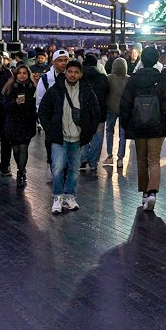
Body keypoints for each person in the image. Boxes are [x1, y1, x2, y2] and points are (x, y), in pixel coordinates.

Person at [39, 59, 102, 214]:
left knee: (74, 169)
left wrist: (89, 131)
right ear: (65, 73)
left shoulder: (87, 91)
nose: (73, 75)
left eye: (76, 72)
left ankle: (69, 196)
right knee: (57, 168)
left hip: (78, 137)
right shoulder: (55, 90)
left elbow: (96, 112)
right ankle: (58, 197)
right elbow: (43, 110)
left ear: (80, 74)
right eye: (70, 71)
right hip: (59, 137)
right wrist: (50, 129)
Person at [119, 46, 166, 211]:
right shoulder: (162, 79)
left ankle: (145, 193)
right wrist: (165, 122)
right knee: (154, 160)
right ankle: (152, 192)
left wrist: (126, 124)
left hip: (138, 126)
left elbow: (125, 103)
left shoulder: (134, 79)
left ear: (142, 60)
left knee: (141, 160)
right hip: (157, 126)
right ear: (156, 60)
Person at [2, 65, 38, 188]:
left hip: (27, 122)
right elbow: (4, 106)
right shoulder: (10, 87)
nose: (22, 75)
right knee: (16, 149)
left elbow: (37, 105)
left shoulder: (33, 88)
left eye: (24, 73)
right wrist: (15, 102)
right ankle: (20, 167)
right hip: (13, 122)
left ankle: (21, 172)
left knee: (23, 147)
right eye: (20, 73)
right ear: (16, 75)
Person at [80, 54, 111, 173]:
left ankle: (82, 159)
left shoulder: (80, 78)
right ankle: (93, 162)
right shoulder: (102, 78)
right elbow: (107, 93)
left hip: (84, 112)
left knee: (83, 135)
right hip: (100, 112)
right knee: (97, 138)